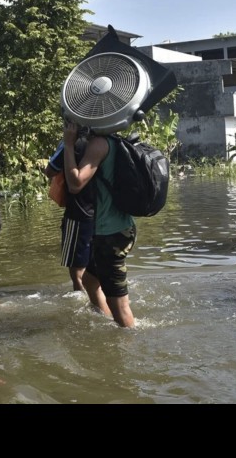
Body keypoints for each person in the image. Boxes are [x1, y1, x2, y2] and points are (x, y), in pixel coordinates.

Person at [62, 120, 137, 328]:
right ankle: (105, 322)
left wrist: (68, 144)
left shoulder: (99, 144)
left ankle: (129, 340)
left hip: (111, 234)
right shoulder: (112, 140)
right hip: (116, 229)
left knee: (120, 305)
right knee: (89, 280)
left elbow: (75, 183)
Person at [44, 135, 111, 317]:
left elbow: (50, 171)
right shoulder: (110, 141)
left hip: (79, 214)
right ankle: (105, 309)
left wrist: (67, 144)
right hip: (107, 216)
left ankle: (93, 314)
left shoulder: (72, 143)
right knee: (100, 270)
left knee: (78, 273)